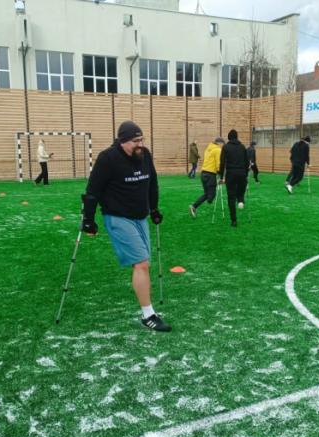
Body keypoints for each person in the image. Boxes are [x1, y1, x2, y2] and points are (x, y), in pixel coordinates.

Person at [80, 121, 171, 332]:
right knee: (142, 263)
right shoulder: (108, 158)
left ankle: (147, 310)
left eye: (141, 140)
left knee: (143, 263)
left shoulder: (144, 155)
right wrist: (88, 219)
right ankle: (148, 315)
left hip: (140, 217)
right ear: (122, 141)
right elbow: (92, 190)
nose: (140, 144)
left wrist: (154, 209)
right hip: (118, 217)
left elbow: (152, 183)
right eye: (135, 141)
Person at [219, 129, 249, 227]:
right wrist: (246, 174)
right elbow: (247, 162)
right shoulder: (242, 147)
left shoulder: (226, 147)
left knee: (231, 197)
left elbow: (222, 163)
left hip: (231, 174)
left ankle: (234, 220)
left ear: (229, 137)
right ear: (237, 137)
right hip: (241, 173)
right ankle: (240, 200)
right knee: (241, 191)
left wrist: (221, 176)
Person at [188, 137, 224, 218]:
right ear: (219, 143)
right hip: (210, 175)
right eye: (222, 144)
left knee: (207, 194)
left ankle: (194, 207)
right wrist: (220, 175)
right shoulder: (218, 150)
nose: (222, 146)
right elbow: (218, 163)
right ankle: (194, 206)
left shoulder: (208, 149)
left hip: (203, 173)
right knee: (210, 197)